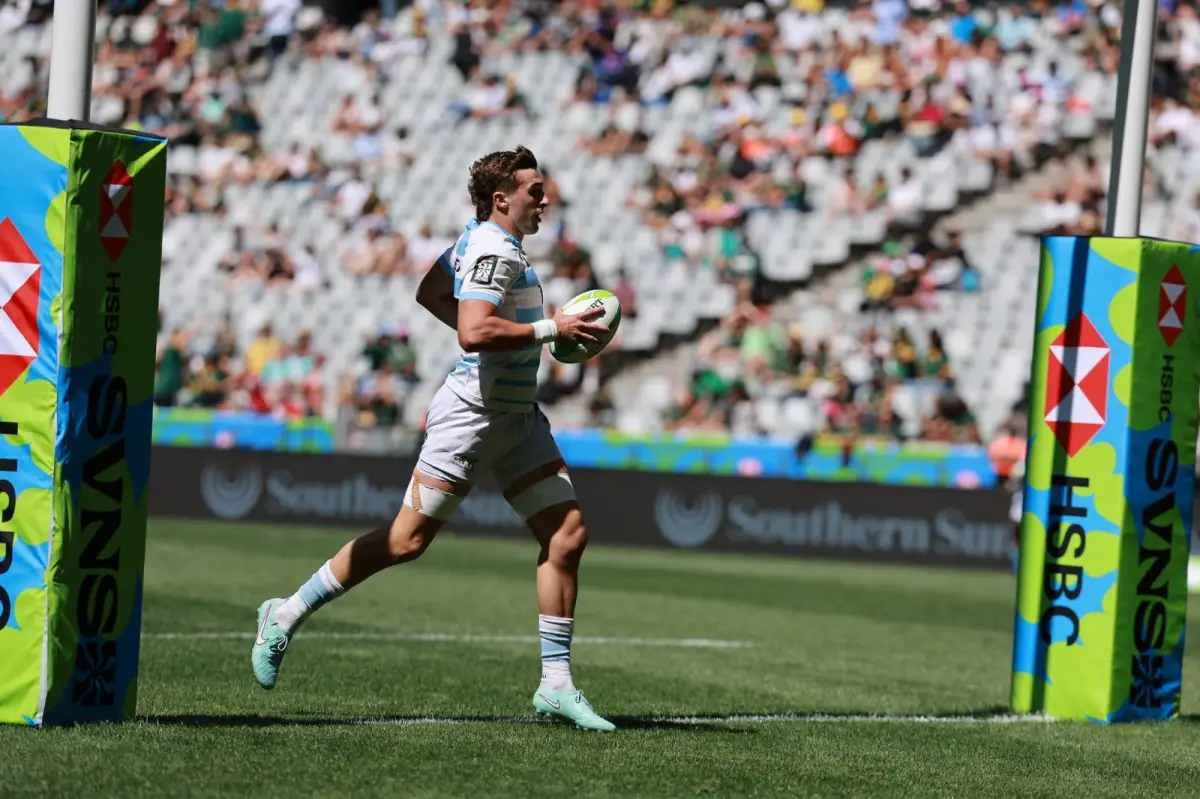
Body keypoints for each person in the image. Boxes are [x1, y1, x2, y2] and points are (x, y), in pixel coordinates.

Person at [250, 146, 617, 731]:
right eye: (534, 190)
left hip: (517, 418)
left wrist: (523, 337)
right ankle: (284, 613)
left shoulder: (478, 239)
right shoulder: (495, 250)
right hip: (471, 419)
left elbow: (429, 291)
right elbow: (472, 332)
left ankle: (555, 683)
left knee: (567, 535)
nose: (544, 199)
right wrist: (552, 330)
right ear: (503, 199)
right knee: (404, 543)